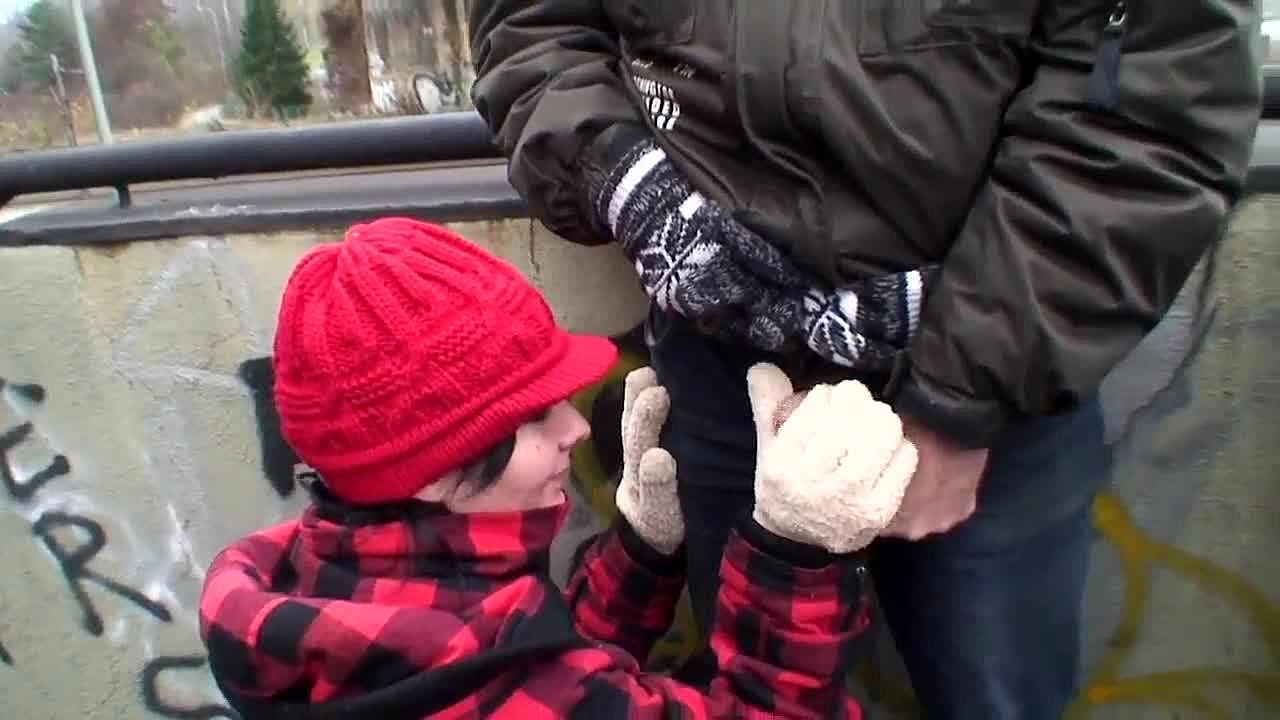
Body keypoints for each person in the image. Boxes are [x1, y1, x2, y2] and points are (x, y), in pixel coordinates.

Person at [467, 3, 1263, 718]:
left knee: (992, 692)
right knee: (739, 682)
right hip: (720, 365)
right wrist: (625, 182)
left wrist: (964, 391)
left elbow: (1155, 96)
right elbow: (533, 28)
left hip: (996, 364)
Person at [197, 217, 918, 719]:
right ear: (430, 471)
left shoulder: (321, 582)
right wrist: (794, 556)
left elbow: (541, 665)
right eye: (533, 417)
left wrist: (641, 553)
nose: (575, 428)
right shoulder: (476, 682)